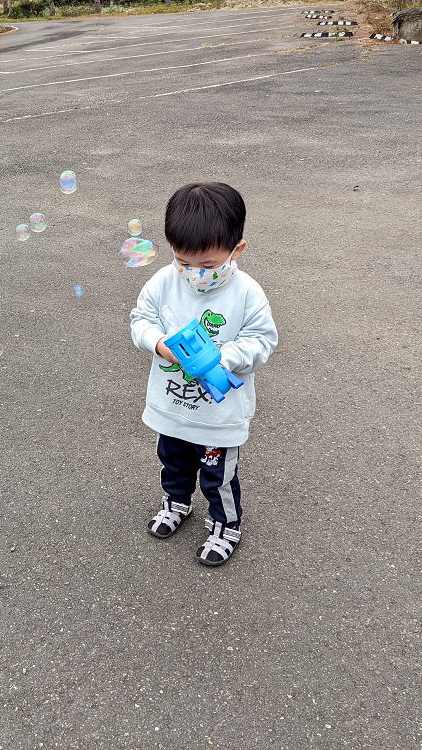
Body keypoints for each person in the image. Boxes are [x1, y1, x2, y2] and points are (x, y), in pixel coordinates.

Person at [130, 182, 278, 566]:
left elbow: (262, 339)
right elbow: (140, 320)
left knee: (218, 476)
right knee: (173, 462)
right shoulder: (164, 280)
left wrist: (224, 358)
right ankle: (176, 503)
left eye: (208, 265)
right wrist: (159, 344)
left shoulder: (247, 293)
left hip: (218, 414)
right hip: (172, 405)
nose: (194, 273)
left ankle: (227, 523)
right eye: (184, 262)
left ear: (236, 250)